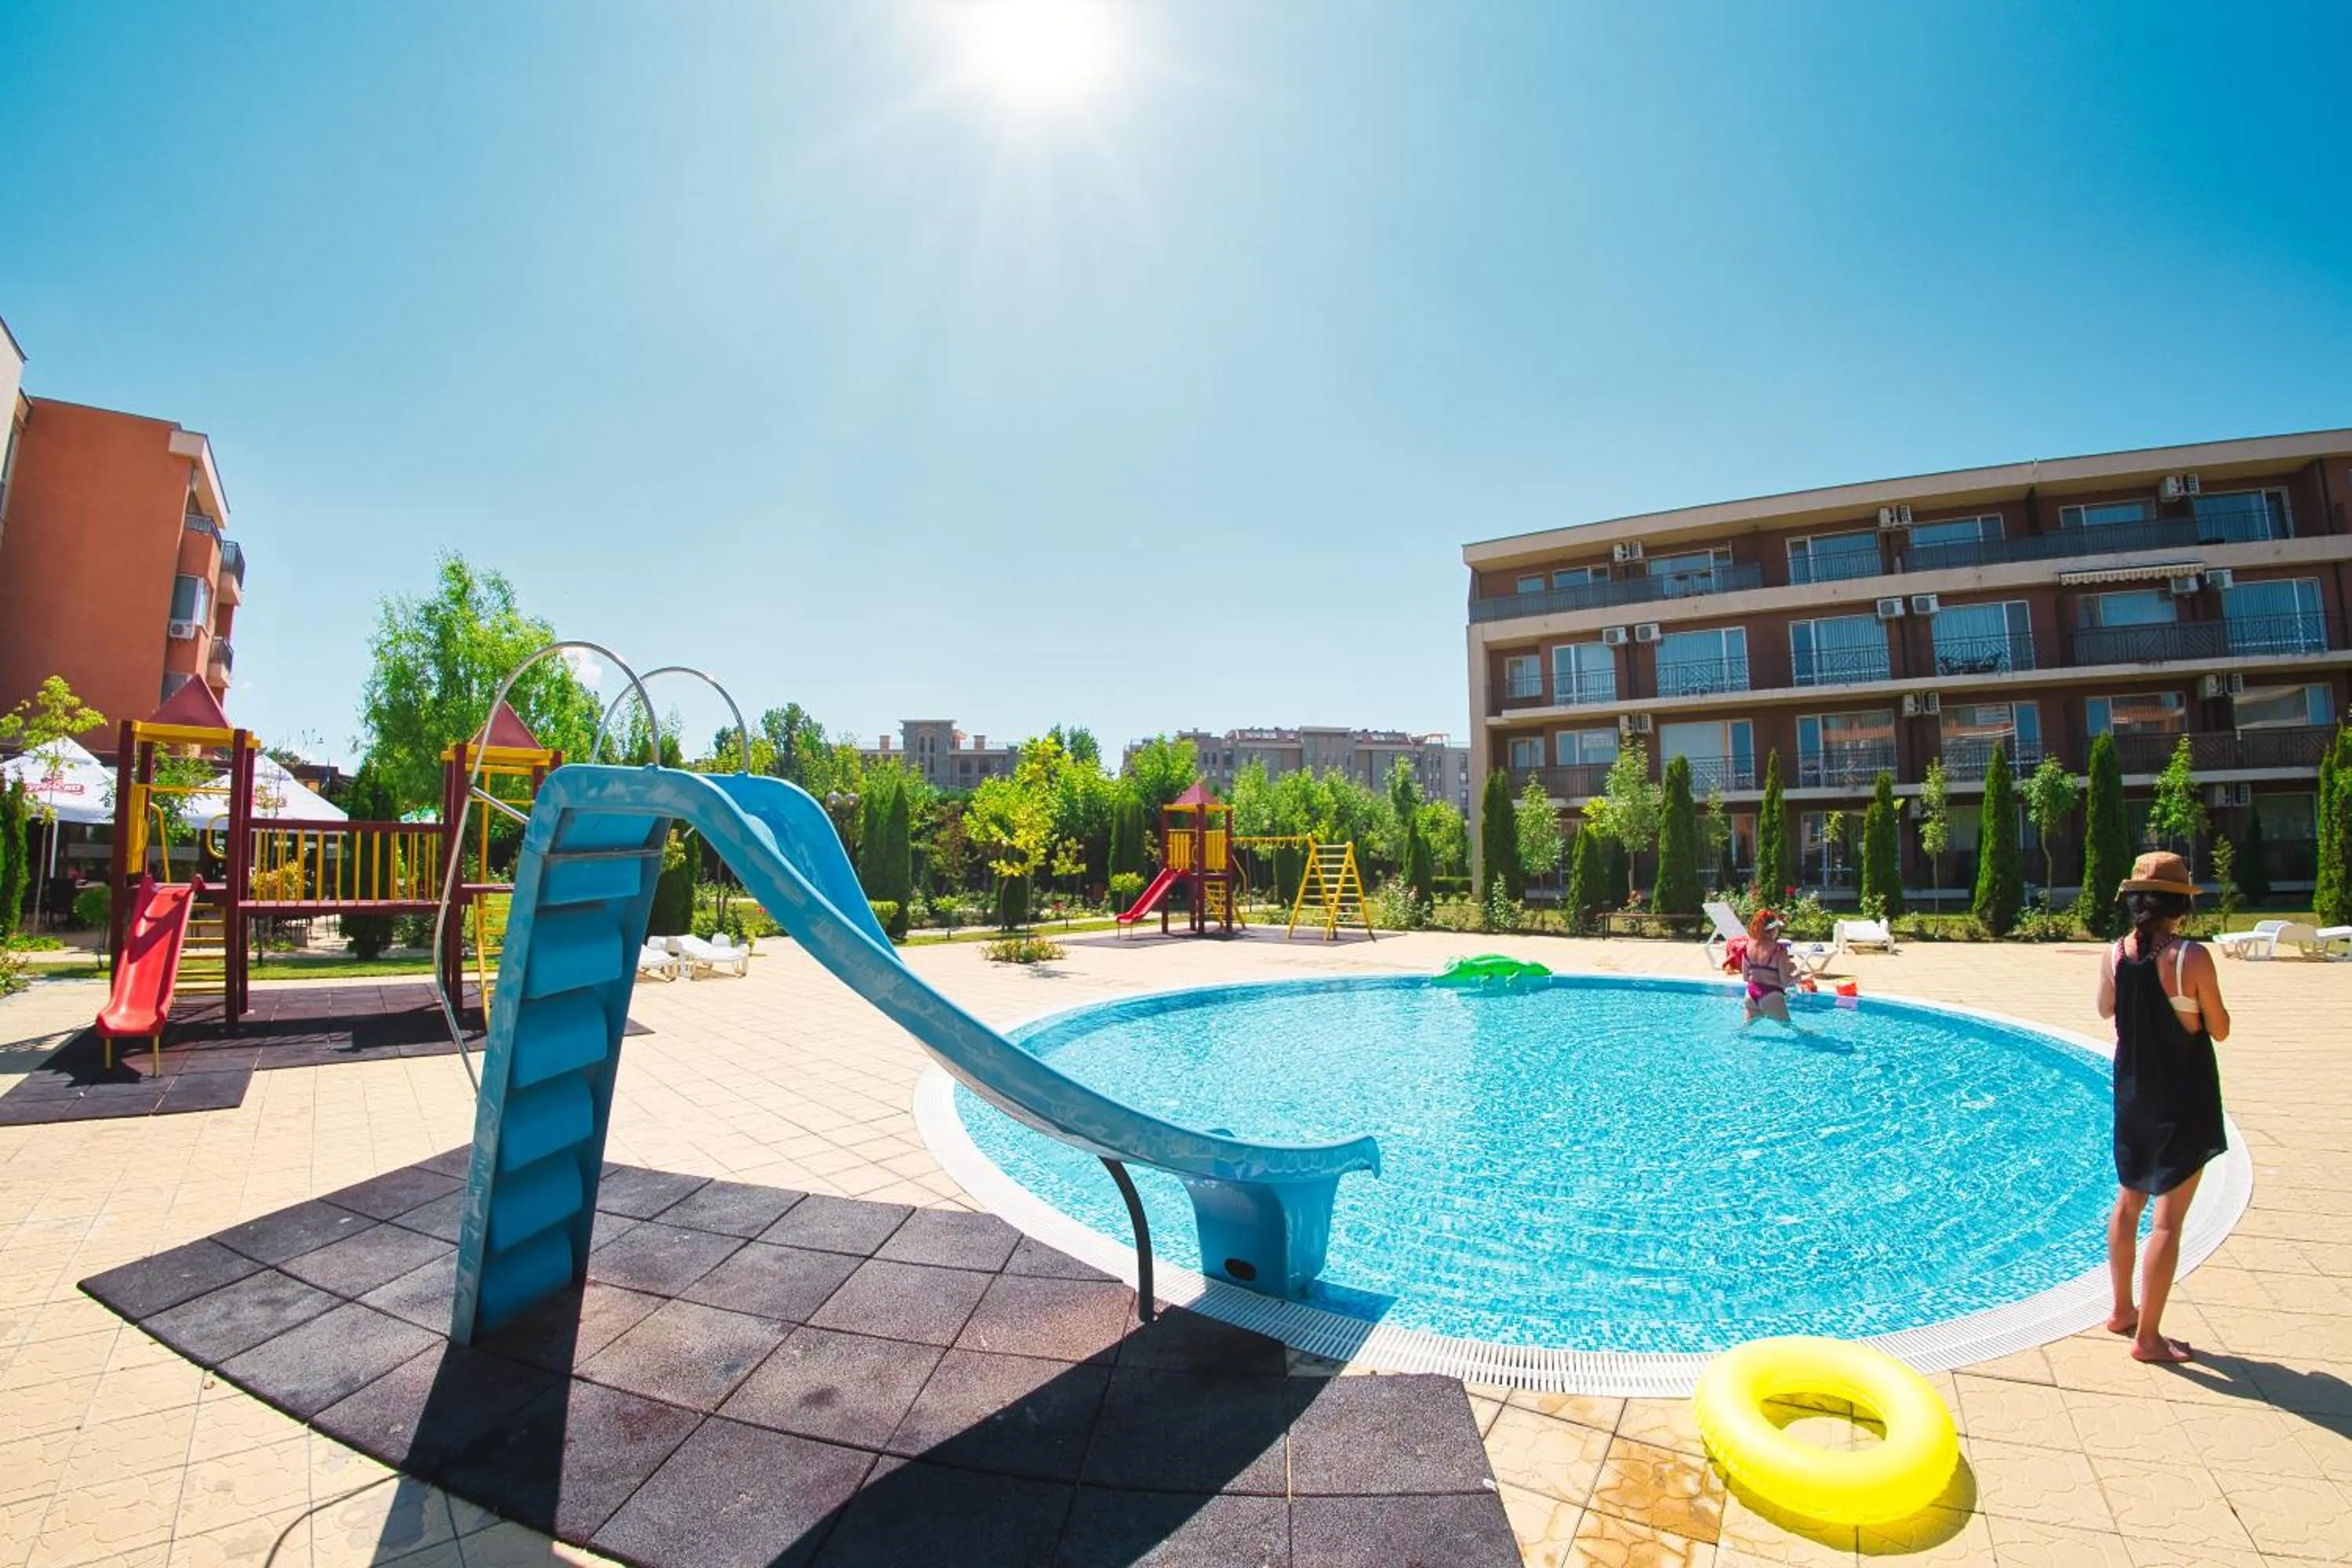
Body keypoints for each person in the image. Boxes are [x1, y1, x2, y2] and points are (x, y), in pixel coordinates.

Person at [2095, 851, 2230, 1364]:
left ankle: (2121, 1311)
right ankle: (2147, 1339)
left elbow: (2108, 1009)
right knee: (2168, 1223)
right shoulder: (2189, 958)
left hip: (2132, 1095)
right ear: (2180, 906)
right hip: (2182, 1098)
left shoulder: (2114, 955)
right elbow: (2216, 1027)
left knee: (2128, 1203)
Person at [1740, 908, 1798, 1026]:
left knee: (1743, 1032)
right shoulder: (1778, 950)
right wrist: (1801, 976)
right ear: (1773, 930)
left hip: (1751, 995)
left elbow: (1746, 978)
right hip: (1771, 995)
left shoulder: (1747, 946)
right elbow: (1785, 981)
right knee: (1794, 1031)